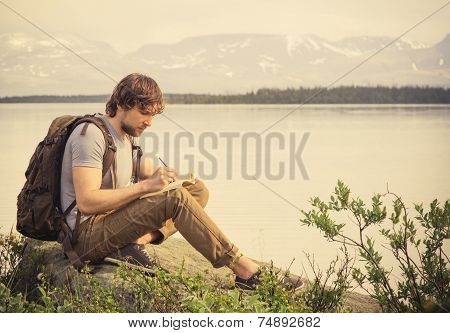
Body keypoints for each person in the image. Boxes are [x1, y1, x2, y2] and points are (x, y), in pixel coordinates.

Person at [60, 73, 303, 291]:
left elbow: (141, 170)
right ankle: (245, 272)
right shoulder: (91, 135)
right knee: (175, 199)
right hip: (85, 237)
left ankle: (133, 244)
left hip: (112, 222)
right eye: (144, 113)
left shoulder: (128, 137)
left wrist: (168, 178)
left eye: (152, 115)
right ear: (123, 104)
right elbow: (88, 201)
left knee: (195, 190)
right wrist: (147, 187)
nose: (149, 122)